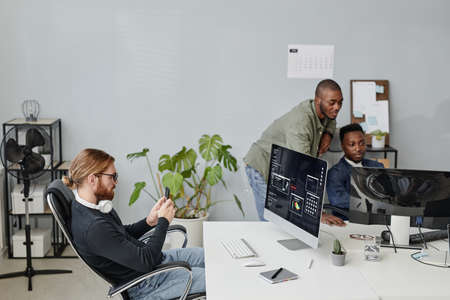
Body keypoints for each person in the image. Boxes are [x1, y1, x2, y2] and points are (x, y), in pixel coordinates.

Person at [63, 148, 205, 300]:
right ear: (93, 179)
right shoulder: (93, 228)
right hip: (148, 283)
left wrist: (149, 221)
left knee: (211, 257)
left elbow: (120, 235)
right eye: (113, 176)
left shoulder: (93, 207)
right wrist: (163, 222)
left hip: (156, 263)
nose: (116, 182)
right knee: (220, 276)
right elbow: (145, 261)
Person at [244, 79, 345, 226]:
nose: (337, 107)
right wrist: (318, 214)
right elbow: (304, 169)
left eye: (340, 102)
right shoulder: (300, 124)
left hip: (281, 167)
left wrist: (328, 134)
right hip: (262, 166)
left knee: (287, 221)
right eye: (332, 102)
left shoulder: (322, 110)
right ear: (318, 101)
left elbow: (332, 119)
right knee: (271, 224)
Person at [326, 123, 384, 219]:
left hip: (378, 219)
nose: (358, 148)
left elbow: (388, 193)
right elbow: (338, 200)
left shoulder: (377, 166)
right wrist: (373, 202)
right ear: (343, 146)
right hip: (349, 220)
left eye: (361, 143)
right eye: (352, 144)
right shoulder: (335, 173)